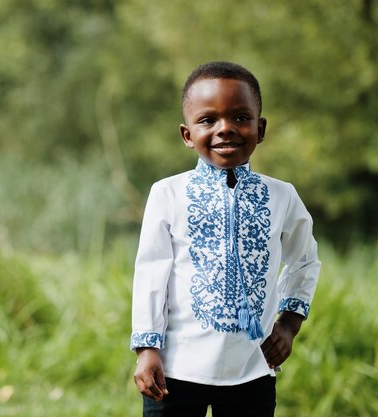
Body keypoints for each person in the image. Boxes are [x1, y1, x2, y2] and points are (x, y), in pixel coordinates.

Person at [130, 61, 321, 417]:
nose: (225, 129)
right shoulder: (168, 193)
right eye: (208, 120)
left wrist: (289, 323)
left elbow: (305, 259)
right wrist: (146, 349)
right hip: (175, 370)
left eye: (240, 118)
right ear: (187, 135)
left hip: (251, 370)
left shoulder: (282, 196)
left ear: (260, 128)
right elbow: (151, 272)